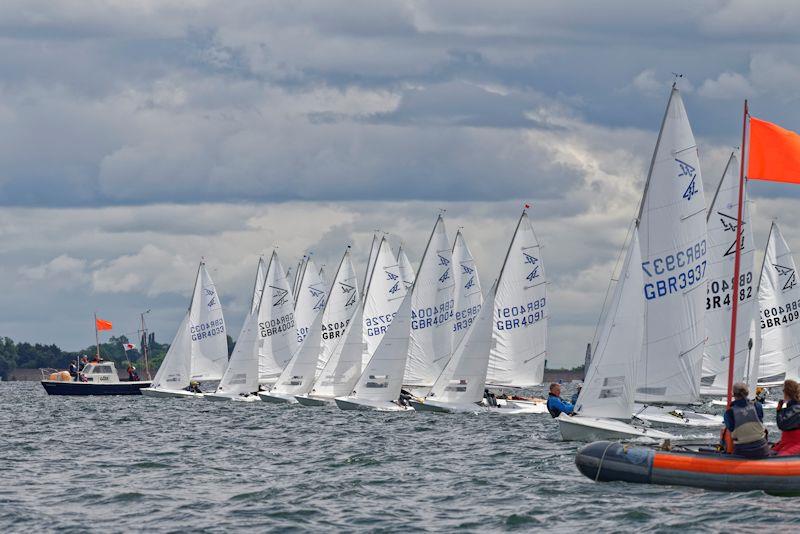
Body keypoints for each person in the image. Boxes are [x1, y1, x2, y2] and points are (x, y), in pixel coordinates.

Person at [722, 382, 769, 458]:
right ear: (747, 393)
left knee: (725, 431)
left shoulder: (729, 412)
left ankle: (725, 453)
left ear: (734, 394)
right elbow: (760, 420)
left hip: (742, 452)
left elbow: (730, 428)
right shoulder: (757, 406)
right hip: (762, 450)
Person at [772, 379, 800, 456]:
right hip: (787, 442)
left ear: (787, 393)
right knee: (769, 453)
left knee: (779, 457)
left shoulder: (795, 409)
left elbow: (782, 425)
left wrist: (779, 411)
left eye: (783, 390)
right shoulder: (791, 407)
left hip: (795, 443)